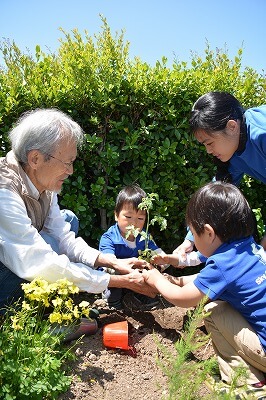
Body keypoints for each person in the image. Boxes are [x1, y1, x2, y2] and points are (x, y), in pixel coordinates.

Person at [0, 108, 156, 313]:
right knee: (47, 247)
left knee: (67, 221)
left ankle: (48, 297)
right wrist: (116, 281)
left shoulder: (43, 183)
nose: (71, 171)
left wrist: (111, 261)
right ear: (35, 159)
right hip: (15, 265)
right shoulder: (5, 192)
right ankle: (19, 311)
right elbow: (39, 262)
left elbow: (64, 238)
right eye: (67, 162)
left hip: (23, 254)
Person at [143, 182, 266, 395]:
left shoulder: (222, 265)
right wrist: (173, 269)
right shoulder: (247, 246)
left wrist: (156, 280)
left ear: (208, 233)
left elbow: (183, 298)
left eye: (192, 232)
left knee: (213, 311)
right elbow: (205, 276)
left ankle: (246, 383)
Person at [174, 91, 266, 266]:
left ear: (232, 126)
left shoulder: (262, 134)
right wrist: (191, 240)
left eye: (209, 143)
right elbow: (216, 199)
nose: (208, 151)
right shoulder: (234, 152)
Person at [99, 184, 165, 310]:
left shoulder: (144, 237)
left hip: (137, 277)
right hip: (116, 278)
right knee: (112, 273)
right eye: (128, 217)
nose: (134, 223)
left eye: (140, 218)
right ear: (116, 215)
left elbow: (158, 253)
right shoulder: (109, 238)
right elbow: (109, 262)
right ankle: (112, 301)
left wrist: (162, 261)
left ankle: (142, 297)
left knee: (150, 272)